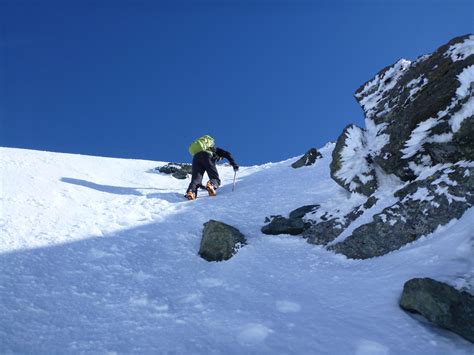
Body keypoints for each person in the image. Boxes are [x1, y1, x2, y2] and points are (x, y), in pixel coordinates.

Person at [185, 135, 239, 200]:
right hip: (206, 156)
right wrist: (234, 164)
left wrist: (202, 186)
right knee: (215, 178)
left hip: (196, 158)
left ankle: (191, 192)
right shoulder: (215, 149)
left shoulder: (205, 148)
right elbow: (228, 154)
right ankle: (212, 184)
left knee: (196, 179)